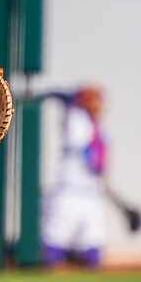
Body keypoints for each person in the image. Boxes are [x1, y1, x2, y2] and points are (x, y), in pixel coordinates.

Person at [41, 86, 121, 268]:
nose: (98, 104)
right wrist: (75, 98)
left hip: (92, 195)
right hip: (68, 191)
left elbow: (99, 165)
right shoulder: (76, 118)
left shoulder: (99, 127)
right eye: (92, 99)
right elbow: (64, 97)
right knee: (52, 252)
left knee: (93, 255)